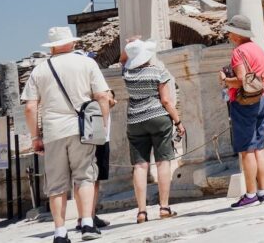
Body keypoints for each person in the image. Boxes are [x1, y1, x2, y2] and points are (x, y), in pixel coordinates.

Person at [22, 27, 111, 243]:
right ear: (71, 43)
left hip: (53, 132)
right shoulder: (87, 63)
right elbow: (102, 96)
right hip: (82, 130)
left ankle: (60, 232)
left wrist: (35, 137)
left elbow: (30, 108)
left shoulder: (40, 70)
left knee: (56, 184)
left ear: (51, 46)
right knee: (84, 176)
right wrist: (102, 126)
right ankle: (87, 223)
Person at [122, 38, 184, 223]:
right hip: (158, 117)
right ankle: (164, 207)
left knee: (140, 166)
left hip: (135, 120)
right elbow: (166, 101)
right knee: (163, 162)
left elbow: (122, 59)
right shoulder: (158, 71)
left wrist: (130, 45)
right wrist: (178, 121)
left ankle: (141, 211)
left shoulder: (127, 73)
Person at [220, 15, 264, 208]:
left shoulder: (238, 52)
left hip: (244, 102)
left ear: (237, 33)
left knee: (247, 150)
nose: (229, 34)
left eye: (231, 30)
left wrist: (225, 80)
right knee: (260, 147)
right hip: (262, 97)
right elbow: (263, 77)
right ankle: (263, 191)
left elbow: (241, 80)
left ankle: (250, 194)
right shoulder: (258, 49)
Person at [75, 86, 114, 233]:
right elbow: (107, 98)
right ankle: (89, 216)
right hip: (97, 134)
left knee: (81, 177)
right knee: (94, 178)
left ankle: (83, 216)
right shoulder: (97, 85)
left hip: (83, 135)